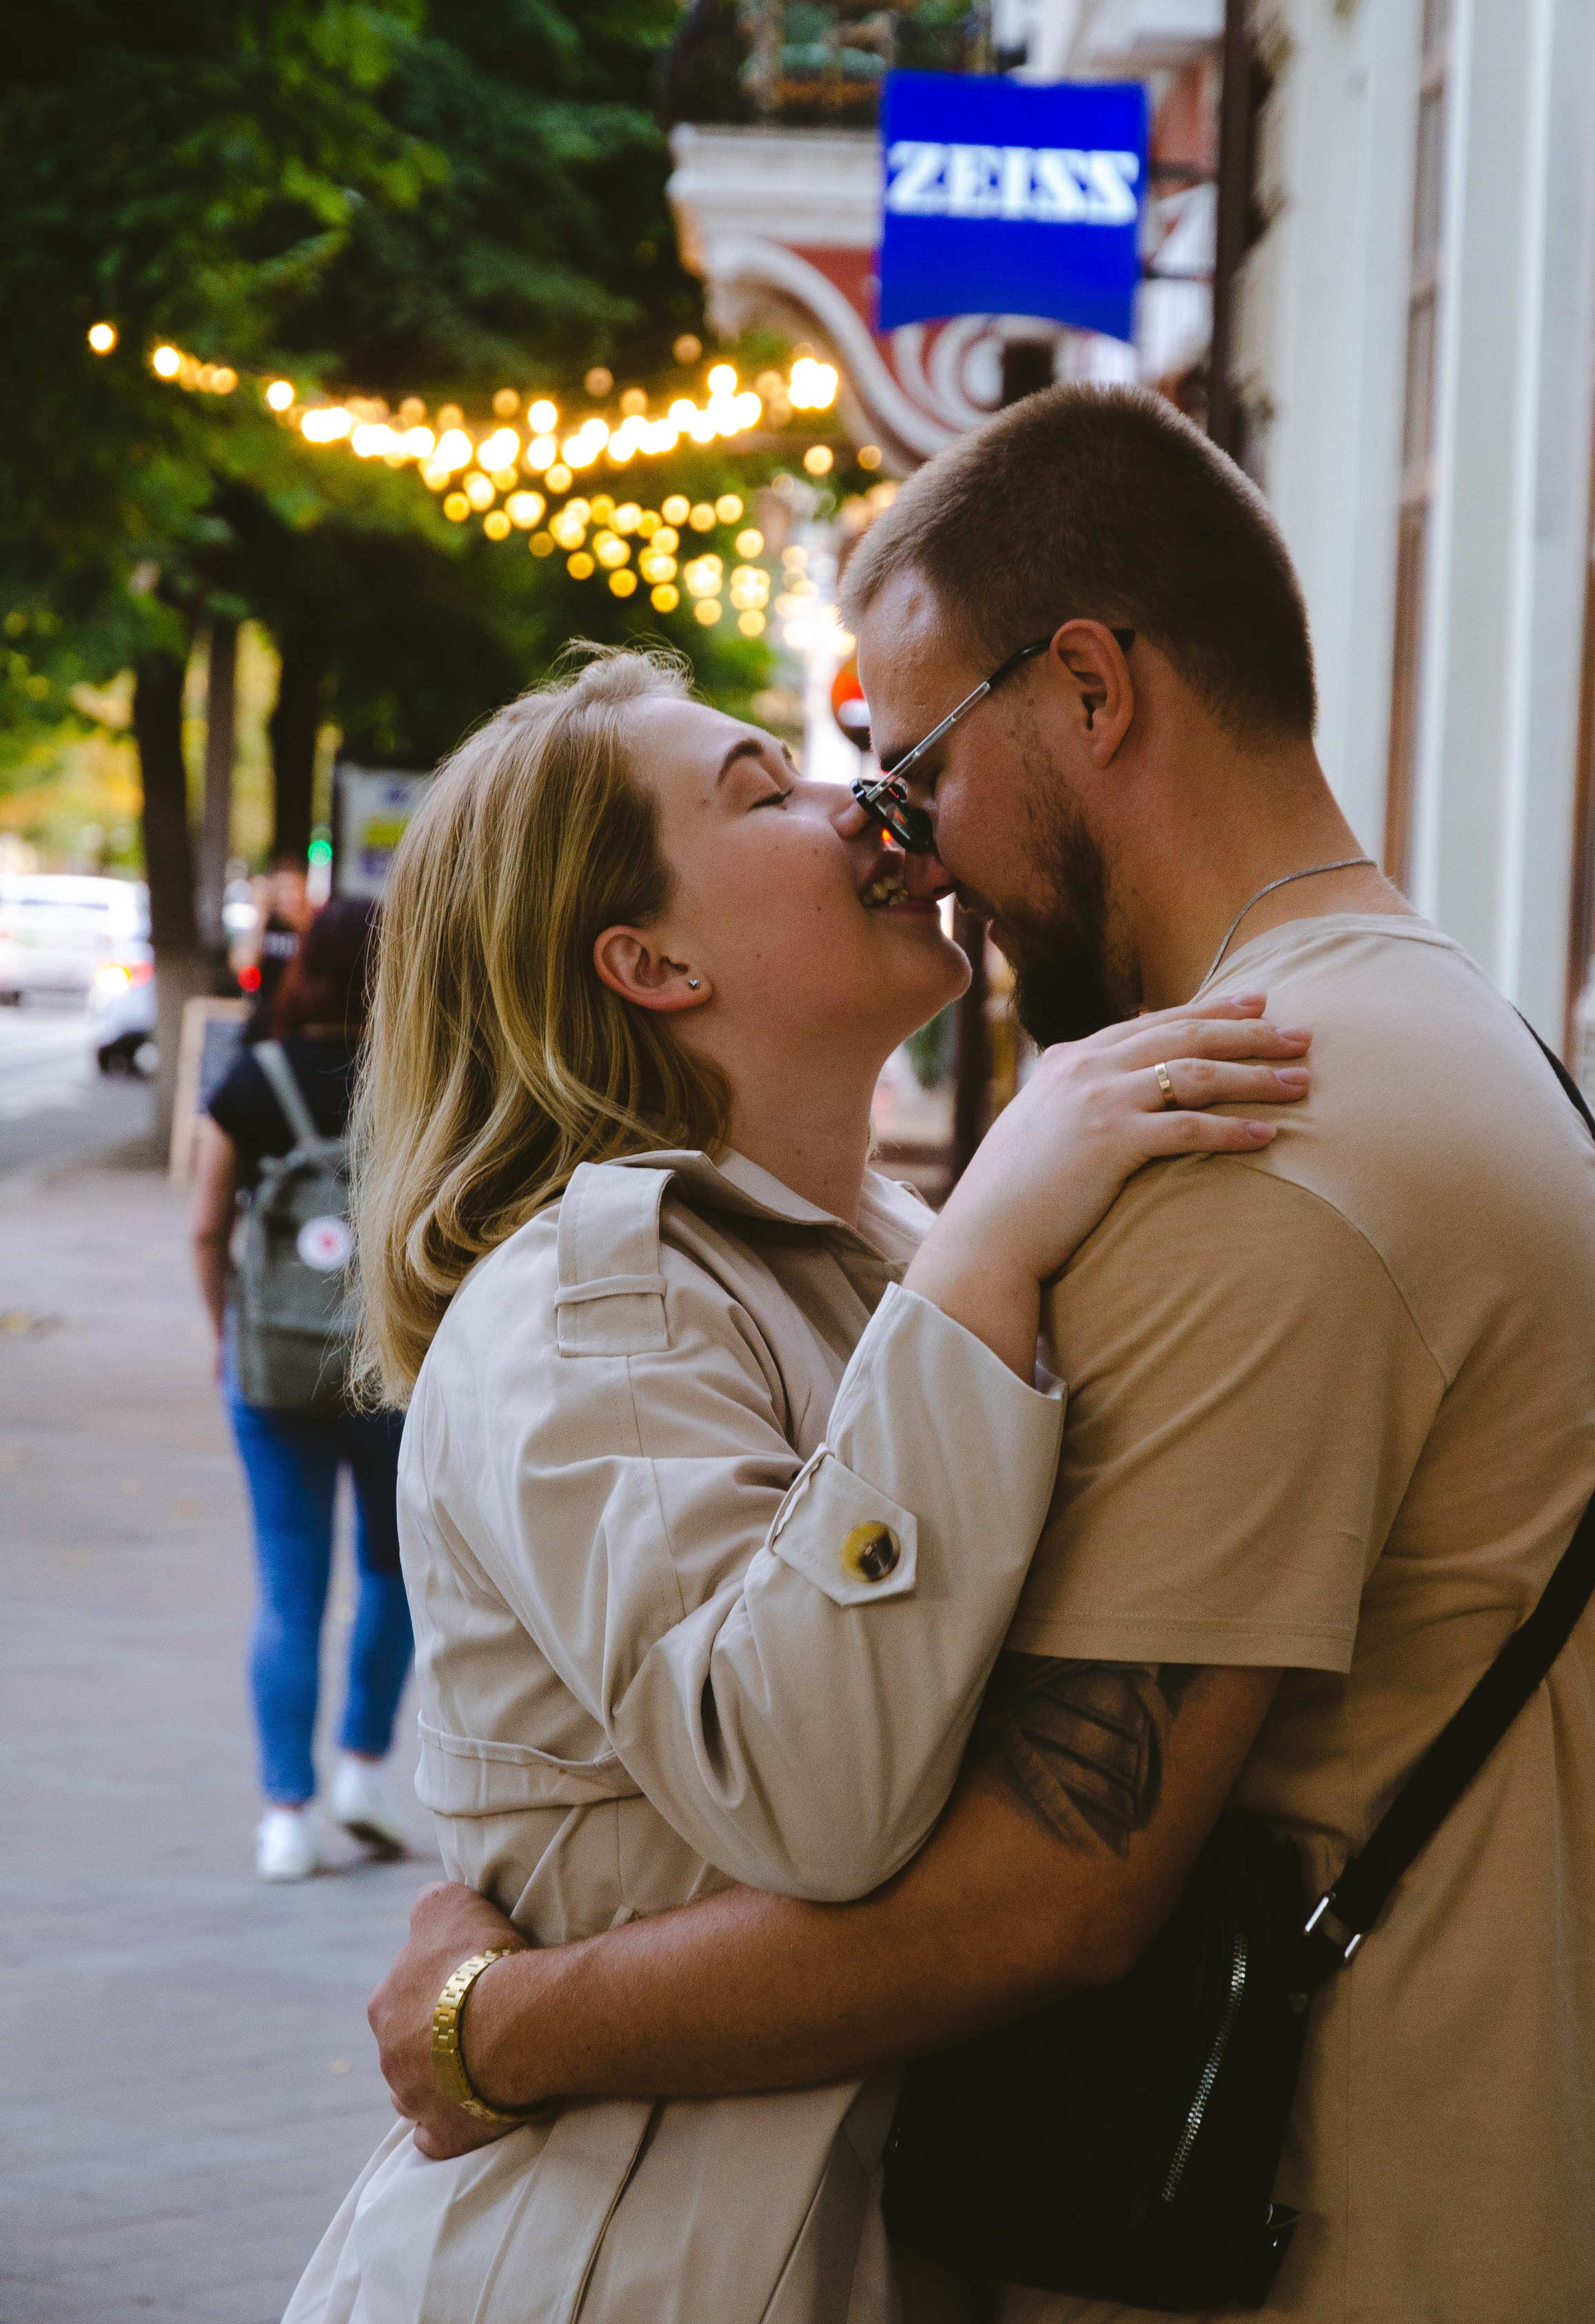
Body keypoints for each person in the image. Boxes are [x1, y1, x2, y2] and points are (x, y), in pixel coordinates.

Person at [369, 384, 1595, 2324]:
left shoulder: (1258, 1146)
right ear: (644, 965)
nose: (893, 829)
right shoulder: (1392, 1062)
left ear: (1088, 688)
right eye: (811, 783)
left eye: (903, 761)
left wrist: (496, 2021)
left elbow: (1044, 1888)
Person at [279, 642, 1308, 2324]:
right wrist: (985, 1245)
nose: (865, 807)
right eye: (766, 792)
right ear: (650, 961)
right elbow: (810, 1792)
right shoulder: (586, 1301)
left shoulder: (899, 1251)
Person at [190, 894, 414, 1883]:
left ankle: (287, 1814)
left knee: (290, 1587)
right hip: (387, 1363)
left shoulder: (252, 1079)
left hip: (272, 1365)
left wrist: (222, 1332)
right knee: (394, 1571)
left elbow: (206, 1227)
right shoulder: (416, 1078)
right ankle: (363, 1767)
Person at [242, 848, 311, 1039]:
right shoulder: (267, 926)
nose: (291, 896)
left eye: (296, 887)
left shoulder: (314, 927)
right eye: (284, 889)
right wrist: (260, 913)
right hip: (266, 1014)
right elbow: (245, 966)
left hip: (300, 1021)